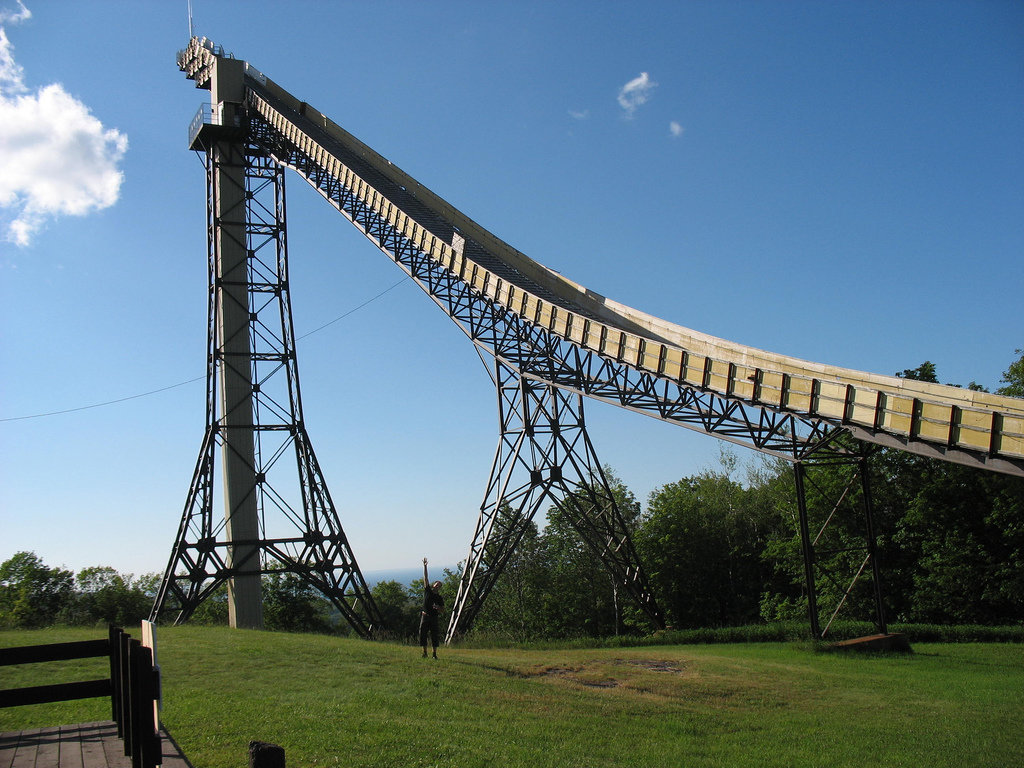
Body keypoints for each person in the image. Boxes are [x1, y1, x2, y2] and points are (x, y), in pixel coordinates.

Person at [419, 557, 444, 658]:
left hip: (434, 617)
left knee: (434, 636)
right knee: (422, 634)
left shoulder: (439, 598)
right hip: (425, 616)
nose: (437, 586)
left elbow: (443, 610)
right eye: (436, 584)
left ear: (439, 588)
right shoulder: (427, 591)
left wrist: (438, 608)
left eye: (439, 585)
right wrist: (425, 566)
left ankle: (434, 654)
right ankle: (424, 653)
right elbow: (425, 578)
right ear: (433, 585)